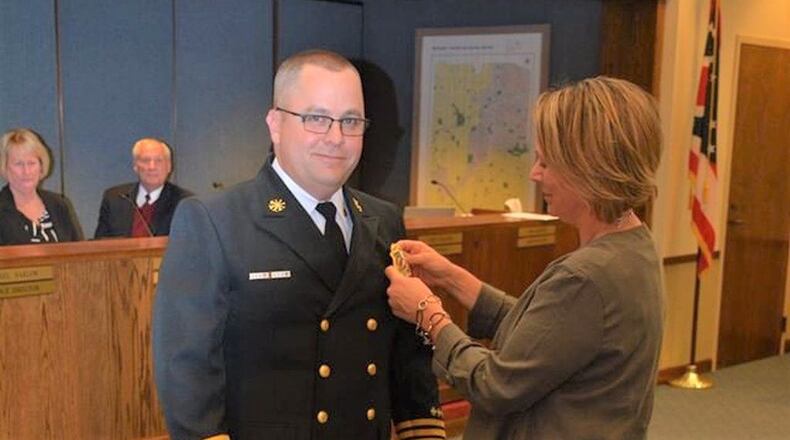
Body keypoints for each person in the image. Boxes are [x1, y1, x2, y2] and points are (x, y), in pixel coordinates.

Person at [153, 50, 444, 440]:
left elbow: (406, 359)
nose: (336, 138)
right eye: (316, 118)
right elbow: (187, 370)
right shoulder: (215, 221)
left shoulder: (383, 219)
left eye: (351, 121)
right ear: (275, 124)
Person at [386, 77, 664, 439]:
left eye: (545, 162)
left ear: (587, 169)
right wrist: (453, 279)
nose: (534, 173)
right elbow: (543, 340)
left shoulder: (587, 276)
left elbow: (495, 384)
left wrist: (427, 315)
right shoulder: (634, 246)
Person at [94, 138, 192, 238]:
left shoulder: (184, 202)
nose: (152, 167)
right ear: (135, 166)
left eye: (158, 161)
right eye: (146, 160)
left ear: (169, 166)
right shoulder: (115, 199)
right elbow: (99, 245)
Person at [0, 128, 83, 245]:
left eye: (32, 163)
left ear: (41, 166)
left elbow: (77, 251)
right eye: (18, 164)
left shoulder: (58, 204)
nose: (26, 171)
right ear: (5, 167)